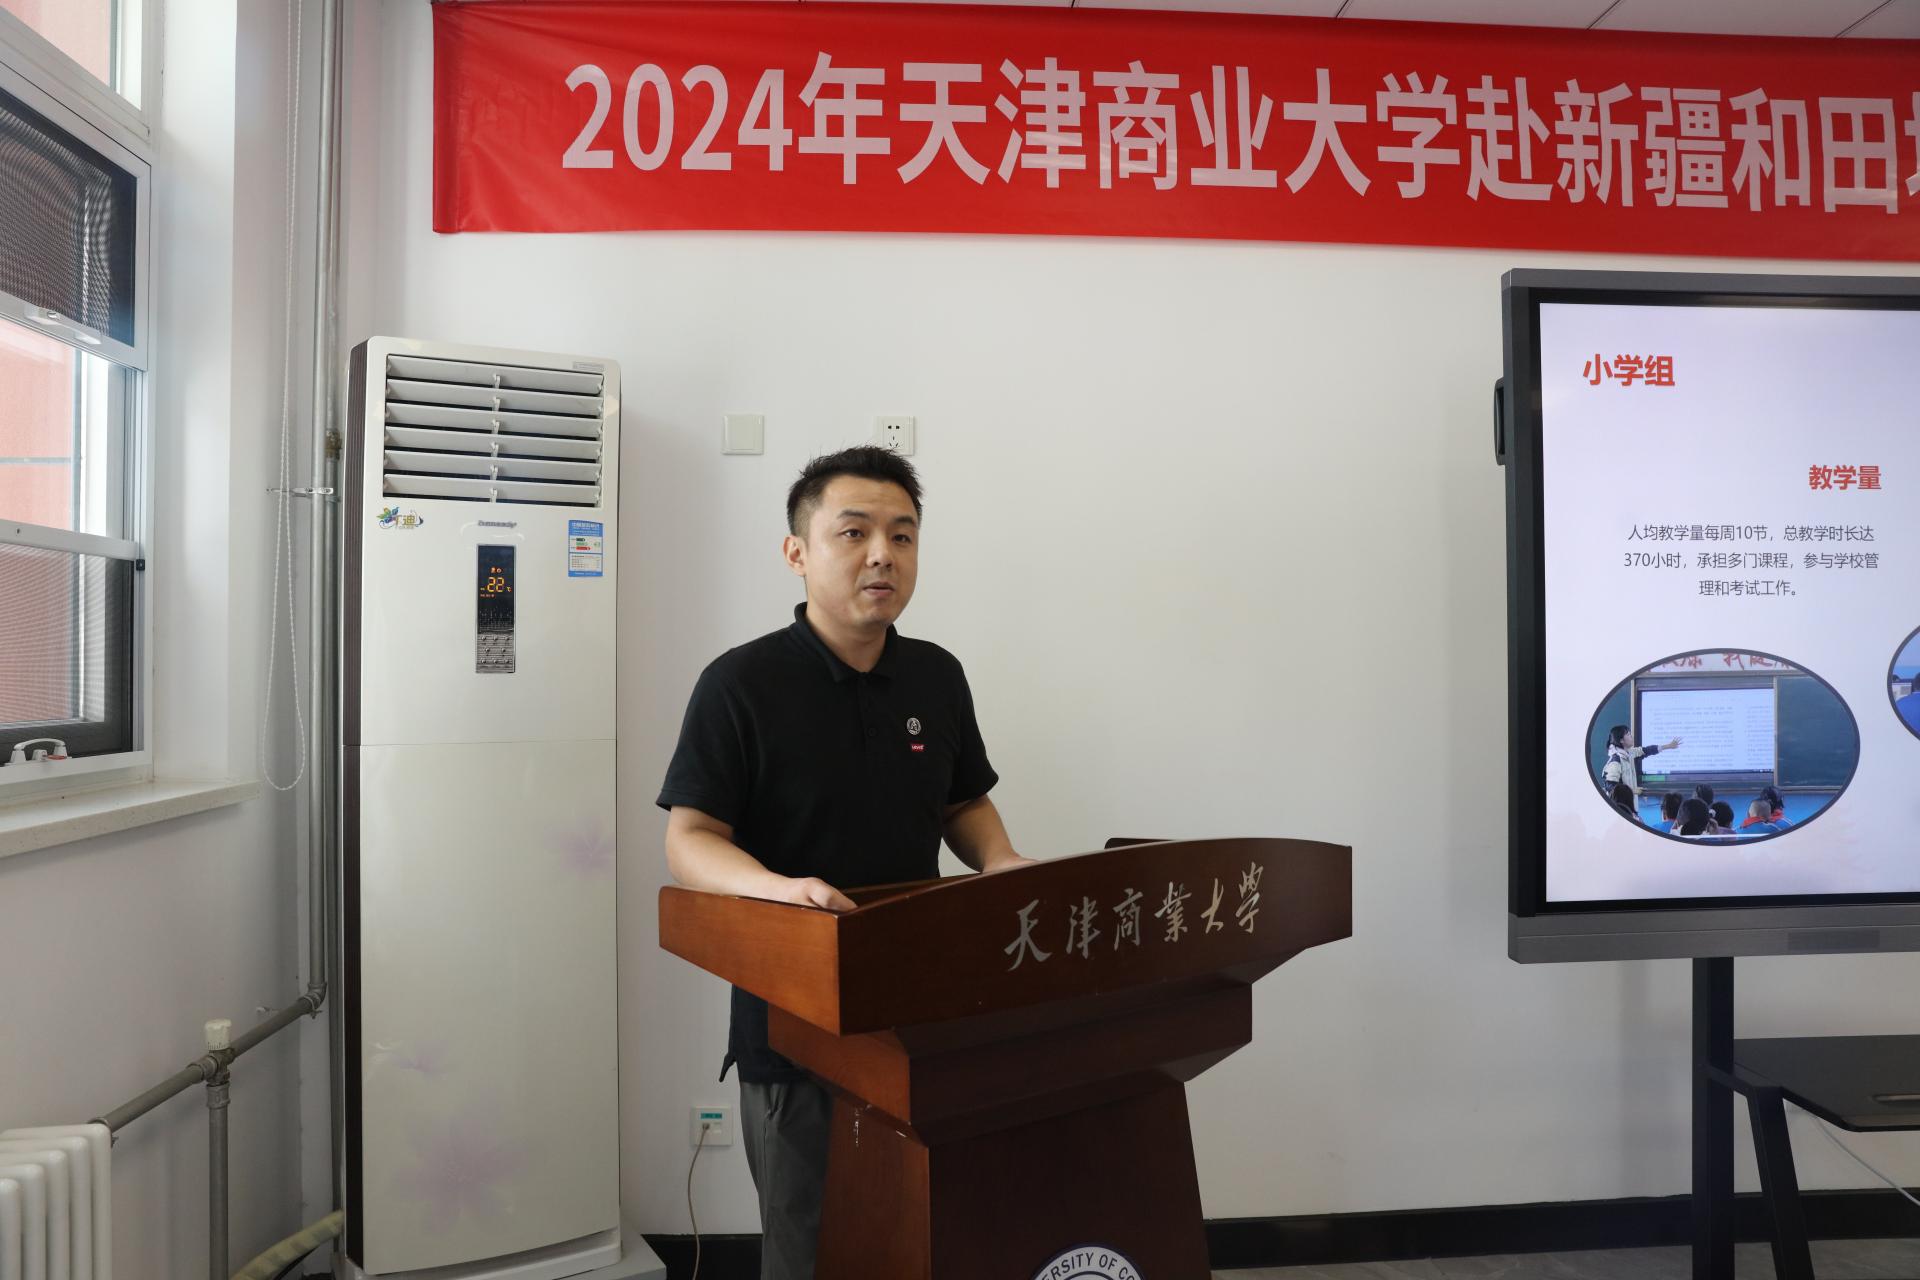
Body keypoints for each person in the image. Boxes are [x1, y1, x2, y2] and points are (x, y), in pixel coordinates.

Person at [658, 445, 1032, 1280]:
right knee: (813, 1249)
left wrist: (999, 860)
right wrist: (778, 889)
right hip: (794, 1025)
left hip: (922, 1012)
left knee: (926, 1233)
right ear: (797, 552)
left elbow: (962, 803)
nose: (882, 555)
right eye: (854, 532)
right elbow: (690, 839)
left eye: (902, 535)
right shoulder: (739, 683)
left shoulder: (936, 675)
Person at [1602, 725, 1681, 794]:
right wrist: (1633, 790)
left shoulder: (1630, 753)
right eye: (1628, 734)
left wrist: (1668, 746)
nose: (1631, 736)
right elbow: (1610, 785)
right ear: (1621, 740)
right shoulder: (1615, 761)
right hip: (1618, 803)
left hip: (1628, 802)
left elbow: (1647, 750)